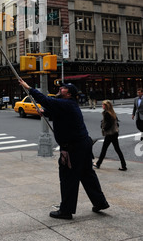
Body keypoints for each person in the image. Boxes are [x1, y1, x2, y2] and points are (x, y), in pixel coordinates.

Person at [18, 78, 109, 220]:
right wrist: (45, 112)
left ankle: (66, 210)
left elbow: (47, 100)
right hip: (82, 145)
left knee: (68, 178)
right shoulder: (68, 105)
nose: (61, 89)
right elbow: (57, 113)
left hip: (74, 148)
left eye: (64, 88)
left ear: (69, 94)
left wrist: (28, 88)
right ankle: (100, 202)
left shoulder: (66, 104)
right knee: (87, 175)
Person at [93, 100, 127, 171]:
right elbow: (117, 123)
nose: (102, 106)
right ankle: (123, 165)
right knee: (117, 149)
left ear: (106, 106)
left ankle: (98, 163)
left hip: (110, 134)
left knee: (104, 149)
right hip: (114, 133)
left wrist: (103, 128)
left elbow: (109, 124)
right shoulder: (112, 112)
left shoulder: (107, 113)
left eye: (103, 105)